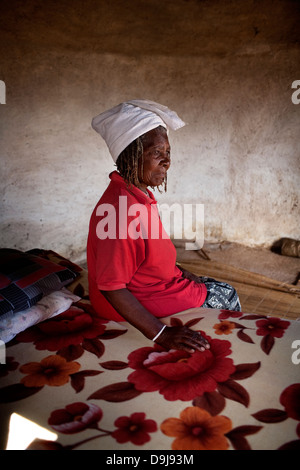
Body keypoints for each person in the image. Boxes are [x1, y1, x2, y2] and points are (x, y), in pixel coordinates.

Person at [87, 100, 241, 354]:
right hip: (133, 299)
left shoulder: (133, 194)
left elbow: (147, 256)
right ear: (131, 156)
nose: (167, 161)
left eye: (167, 152)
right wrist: (162, 333)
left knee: (214, 287)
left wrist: (178, 270)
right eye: (156, 153)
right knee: (226, 295)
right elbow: (112, 286)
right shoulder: (120, 212)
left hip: (153, 285)